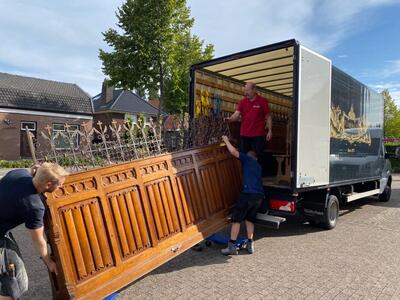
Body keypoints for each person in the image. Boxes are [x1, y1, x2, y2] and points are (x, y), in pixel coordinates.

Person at [0, 163, 69, 300]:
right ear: (48, 185)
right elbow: (38, 240)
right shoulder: (34, 206)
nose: (61, 187)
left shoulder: (19, 173)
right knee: (16, 285)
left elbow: (24, 184)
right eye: (60, 185)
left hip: (3, 230)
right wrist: (49, 262)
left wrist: (33, 174)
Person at [221, 135, 265, 255]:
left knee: (236, 220)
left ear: (250, 157)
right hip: (259, 196)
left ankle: (231, 246)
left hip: (248, 195)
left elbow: (234, 152)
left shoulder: (247, 159)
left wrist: (225, 141)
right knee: (250, 219)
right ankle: (250, 244)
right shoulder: (258, 166)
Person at [226, 82, 272, 159]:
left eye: (247, 90)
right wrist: (230, 119)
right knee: (243, 157)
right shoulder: (242, 102)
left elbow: (268, 116)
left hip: (258, 136)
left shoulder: (262, 101)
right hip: (244, 135)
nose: (245, 93)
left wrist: (270, 130)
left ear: (254, 90)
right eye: (245, 91)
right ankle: (245, 171)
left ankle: (258, 171)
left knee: (259, 157)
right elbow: (236, 114)